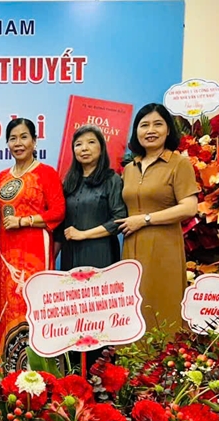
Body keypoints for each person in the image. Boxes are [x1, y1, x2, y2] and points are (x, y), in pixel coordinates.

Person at [116, 103, 199, 335]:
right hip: (131, 247)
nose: (150, 130)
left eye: (157, 124)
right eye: (144, 125)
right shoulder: (130, 168)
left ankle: (164, 358)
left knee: (162, 303)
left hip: (164, 247)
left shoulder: (179, 163)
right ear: (136, 131)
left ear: (168, 130)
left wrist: (145, 219)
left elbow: (190, 207)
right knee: (134, 306)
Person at [0, 118, 65, 372]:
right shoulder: (2, 176)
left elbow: (58, 211)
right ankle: (8, 370)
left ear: (35, 141)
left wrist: (24, 221)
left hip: (34, 248)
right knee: (8, 304)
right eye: (13, 138)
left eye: (24, 137)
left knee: (31, 302)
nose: (18, 143)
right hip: (6, 251)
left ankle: (37, 370)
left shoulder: (46, 173)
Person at [53, 124, 127, 372]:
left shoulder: (111, 179)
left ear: (101, 147)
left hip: (100, 255)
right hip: (71, 257)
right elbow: (61, 224)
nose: (84, 148)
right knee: (74, 317)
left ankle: (101, 375)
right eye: (78, 144)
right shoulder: (69, 181)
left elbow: (119, 220)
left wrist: (83, 234)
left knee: (99, 317)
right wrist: (52, 258)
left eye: (90, 142)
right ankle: (75, 374)